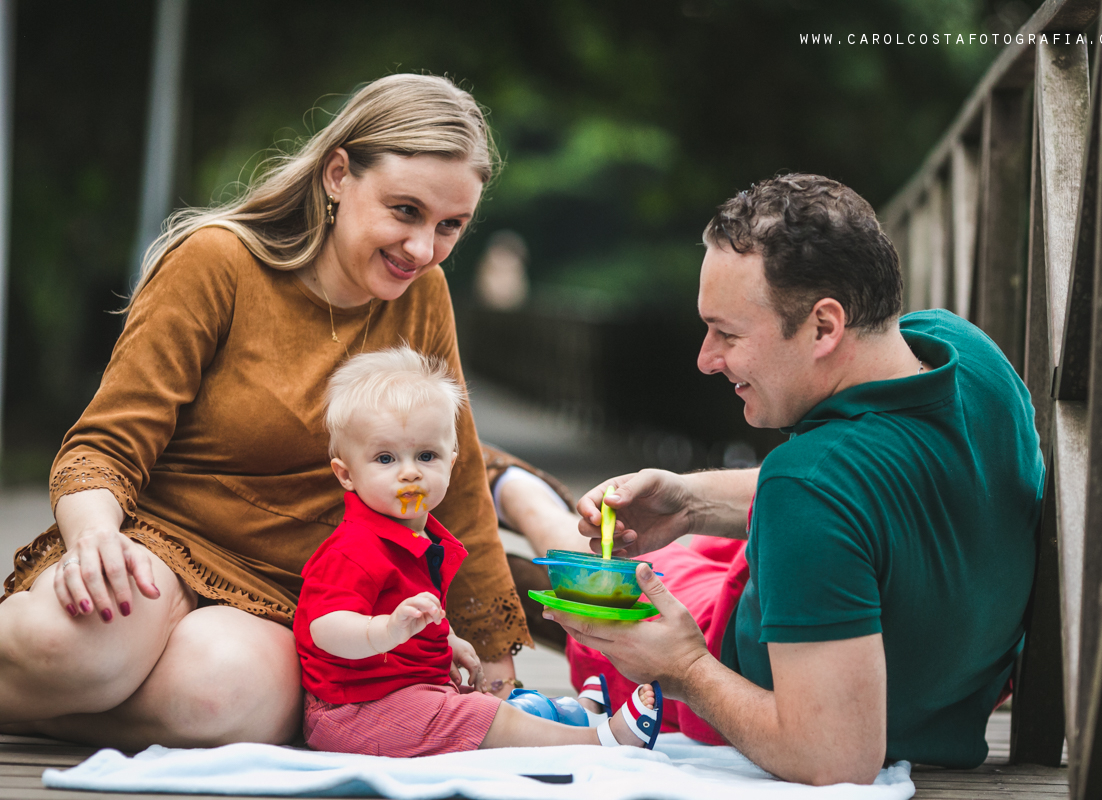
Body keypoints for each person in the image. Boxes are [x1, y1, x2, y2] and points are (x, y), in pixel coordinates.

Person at [0, 74, 534, 749]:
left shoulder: (423, 295)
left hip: (297, 595)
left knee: (228, 701)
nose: (423, 248)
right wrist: (93, 539)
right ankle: (60, 676)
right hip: (165, 540)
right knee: (82, 644)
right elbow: (104, 446)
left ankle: (40, 710)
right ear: (338, 174)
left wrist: (493, 651)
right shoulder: (217, 261)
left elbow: (453, 481)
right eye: (404, 211)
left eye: (450, 225)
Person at [536, 174, 1044, 784]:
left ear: (825, 327)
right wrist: (691, 501)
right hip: (950, 691)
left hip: (736, 666)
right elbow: (865, 501)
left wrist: (685, 669)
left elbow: (835, 759)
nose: (705, 359)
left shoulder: (808, 489)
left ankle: (524, 499)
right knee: (697, 540)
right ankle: (539, 502)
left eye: (727, 333)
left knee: (600, 582)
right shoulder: (965, 352)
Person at [297, 346, 661, 756]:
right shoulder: (353, 549)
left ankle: (573, 713)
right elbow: (324, 628)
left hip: (401, 694)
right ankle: (597, 741)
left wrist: (448, 640)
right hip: (353, 711)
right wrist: (384, 631)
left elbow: (422, 611)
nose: (410, 471)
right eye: (385, 458)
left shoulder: (419, 539)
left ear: (452, 463)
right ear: (346, 474)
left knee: (480, 704)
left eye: (426, 455)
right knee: (480, 716)